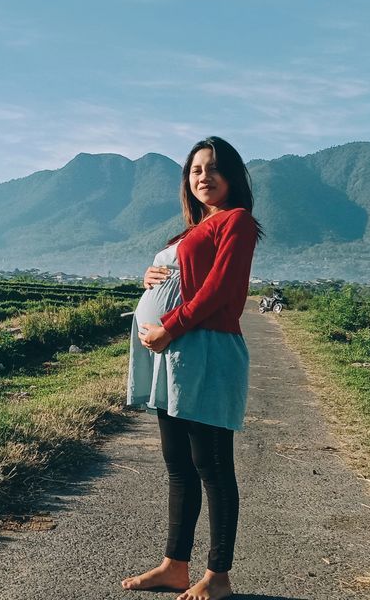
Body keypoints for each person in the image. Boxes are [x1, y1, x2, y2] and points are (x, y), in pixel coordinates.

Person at [121, 136, 261, 600]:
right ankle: (174, 566)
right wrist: (151, 277)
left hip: (205, 351)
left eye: (214, 168)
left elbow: (220, 290)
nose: (204, 176)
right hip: (174, 355)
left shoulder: (236, 221)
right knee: (178, 465)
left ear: (234, 176)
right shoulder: (191, 229)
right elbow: (181, 275)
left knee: (213, 466)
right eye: (196, 169)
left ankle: (217, 577)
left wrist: (169, 327)